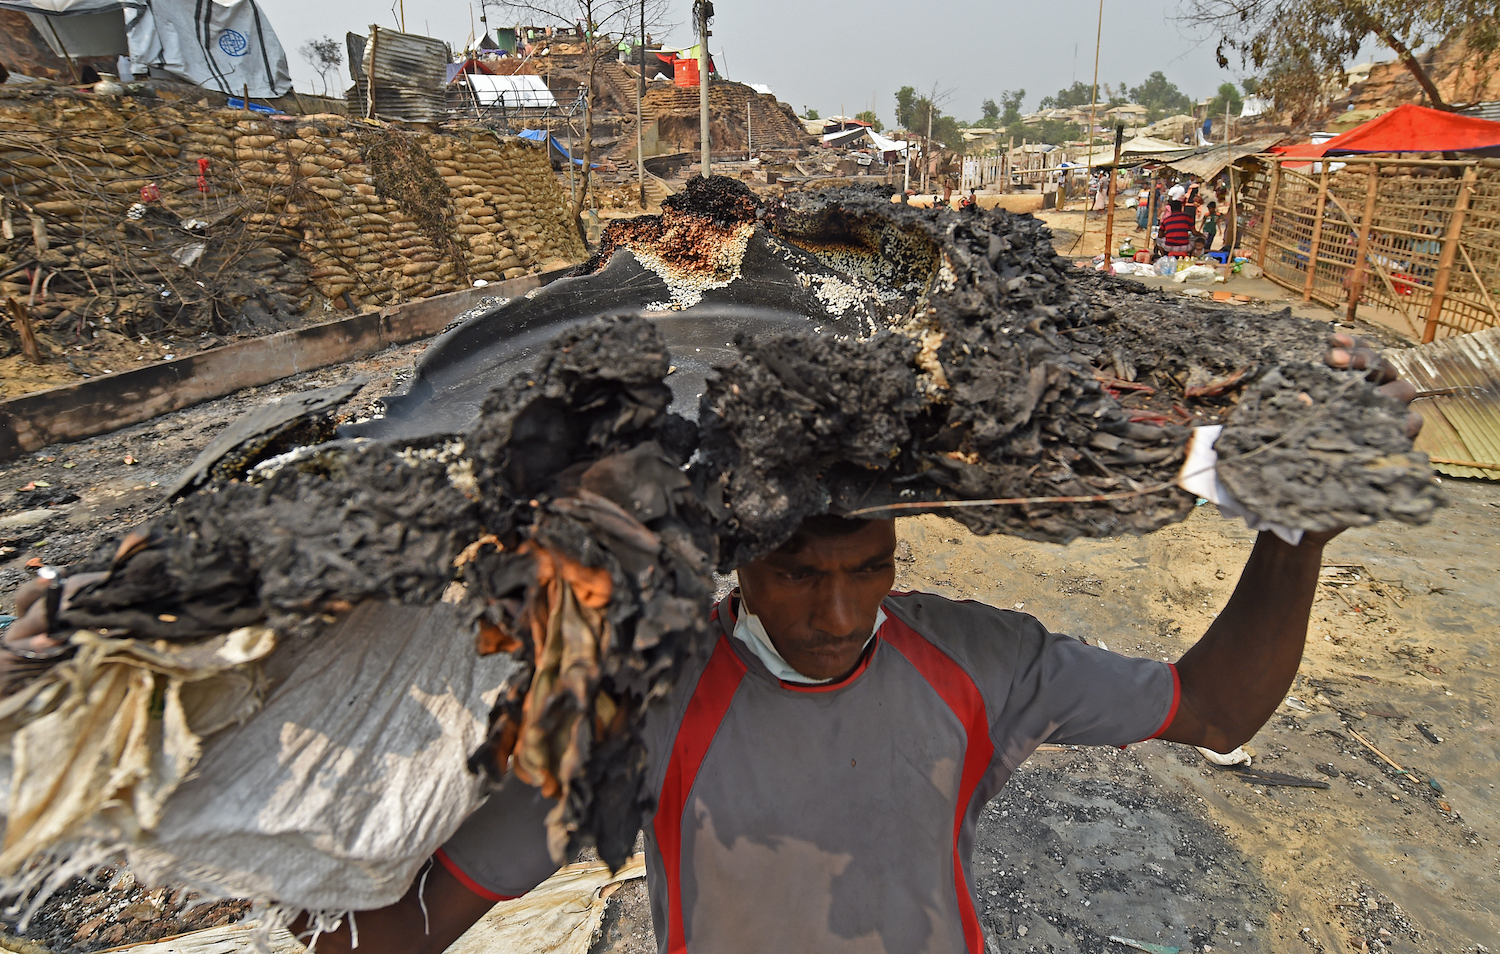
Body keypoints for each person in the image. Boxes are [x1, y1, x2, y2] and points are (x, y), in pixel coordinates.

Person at [2, 342, 1424, 954]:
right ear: (736, 567)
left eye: (870, 567)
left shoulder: (979, 661)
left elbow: (1217, 705)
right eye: (803, 576)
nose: (842, 609)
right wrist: (265, 857)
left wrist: (1300, 530)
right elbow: (440, 905)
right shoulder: (640, 706)